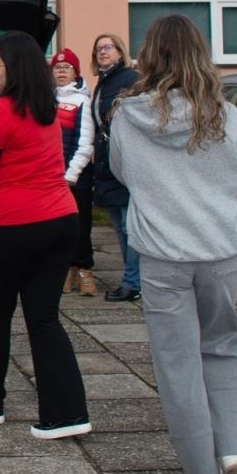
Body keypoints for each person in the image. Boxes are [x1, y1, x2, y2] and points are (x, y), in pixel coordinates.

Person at [109, 14, 237, 474]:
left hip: (162, 251)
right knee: (222, 345)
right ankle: (232, 447)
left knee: (177, 363)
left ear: (149, 55)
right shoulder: (226, 113)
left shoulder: (128, 114)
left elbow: (123, 173)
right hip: (219, 248)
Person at [0, 31, 90, 439]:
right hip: (62, 221)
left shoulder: (1, 112)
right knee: (44, 320)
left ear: (15, 67)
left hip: (15, 227)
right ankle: (67, 414)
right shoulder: (46, 108)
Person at [90, 32, 142, 302]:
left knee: (128, 224)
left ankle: (133, 282)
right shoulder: (102, 82)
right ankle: (132, 277)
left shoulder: (131, 79)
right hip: (106, 161)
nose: (102, 52)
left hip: (125, 161)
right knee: (119, 226)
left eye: (108, 47)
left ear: (120, 52)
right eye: (98, 49)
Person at [51, 48, 98, 297]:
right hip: (49, 176)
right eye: (57, 67)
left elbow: (85, 142)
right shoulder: (47, 99)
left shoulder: (83, 101)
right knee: (58, 228)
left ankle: (84, 269)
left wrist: (70, 175)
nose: (61, 71)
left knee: (80, 225)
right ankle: (65, 269)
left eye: (66, 67)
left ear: (75, 72)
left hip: (75, 177)